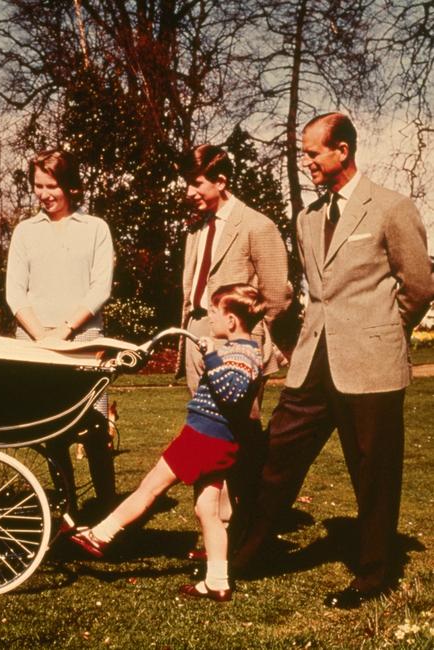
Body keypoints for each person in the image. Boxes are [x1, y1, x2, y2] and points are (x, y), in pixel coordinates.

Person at [232, 112, 434, 609]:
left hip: (372, 363)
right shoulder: (306, 218)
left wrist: (384, 331)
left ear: (342, 150)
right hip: (312, 361)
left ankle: (373, 574)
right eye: (304, 154)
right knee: (276, 453)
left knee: (373, 470)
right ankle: (244, 557)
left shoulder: (391, 207)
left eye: (313, 153)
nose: (307, 163)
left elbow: (420, 286)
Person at [69, 284, 265, 603]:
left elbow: (232, 392)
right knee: (208, 511)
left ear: (231, 320)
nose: (209, 318)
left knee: (148, 489)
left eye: (214, 312)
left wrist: (212, 356)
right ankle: (217, 581)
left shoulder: (241, 353)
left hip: (203, 439)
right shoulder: (242, 349)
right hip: (218, 442)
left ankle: (99, 534)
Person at [178, 144, 291, 551]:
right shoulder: (195, 228)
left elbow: (276, 294)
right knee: (205, 430)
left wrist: (247, 340)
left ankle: (247, 526)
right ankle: (213, 527)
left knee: (241, 431)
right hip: (197, 337)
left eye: (197, 182)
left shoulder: (256, 225)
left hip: (237, 344)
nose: (189, 190)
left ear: (221, 181)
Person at [5, 149, 116, 513]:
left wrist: (66, 330)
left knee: (96, 428)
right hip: (37, 344)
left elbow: (100, 288)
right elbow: (14, 293)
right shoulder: (25, 231)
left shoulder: (95, 228)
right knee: (51, 432)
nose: (44, 193)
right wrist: (42, 337)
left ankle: (106, 507)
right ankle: (67, 509)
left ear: (69, 185)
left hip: (84, 341)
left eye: (51, 185)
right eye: (38, 185)